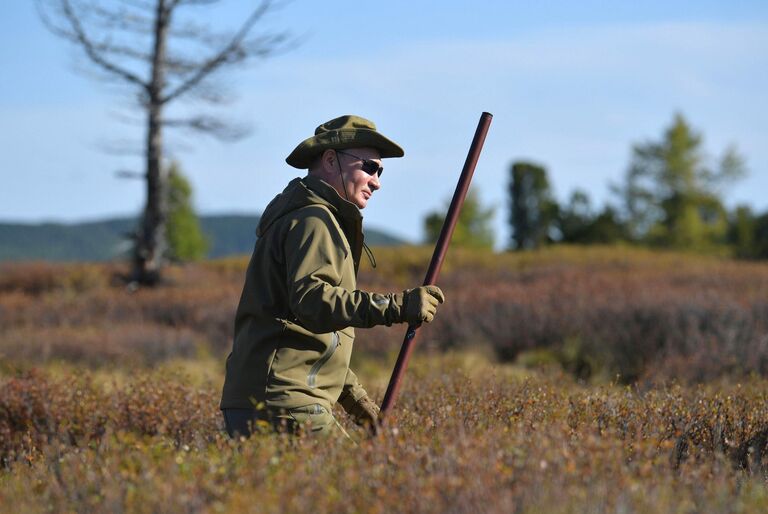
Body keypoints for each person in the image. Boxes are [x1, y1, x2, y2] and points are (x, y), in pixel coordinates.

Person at [220, 115, 445, 437]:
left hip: (267, 397)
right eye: (369, 167)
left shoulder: (307, 217)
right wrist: (399, 306)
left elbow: (311, 339)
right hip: (286, 401)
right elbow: (313, 302)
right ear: (330, 160)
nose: (377, 181)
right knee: (357, 486)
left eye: (380, 171)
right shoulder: (315, 220)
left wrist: (358, 404)